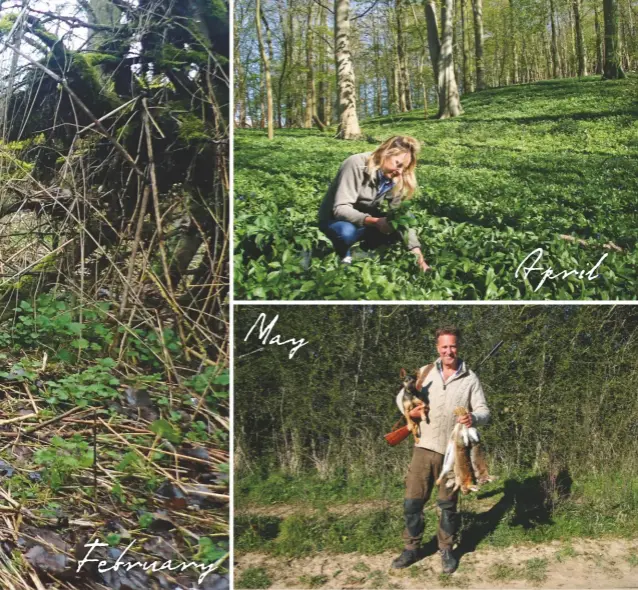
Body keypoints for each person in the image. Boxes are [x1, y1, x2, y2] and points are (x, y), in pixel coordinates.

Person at [392, 326, 490, 573]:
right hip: (423, 449)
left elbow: (484, 411)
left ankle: (446, 550)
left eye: (453, 346)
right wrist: (409, 412)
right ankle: (412, 549)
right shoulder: (425, 373)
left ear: (458, 347)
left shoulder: (470, 378)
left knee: (448, 505)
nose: (449, 351)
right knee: (412, 503)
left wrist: (473, 418)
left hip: (453, 452)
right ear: (438, 348)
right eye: (444, 346)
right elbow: (402, 396)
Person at [318, 135, 429, 271]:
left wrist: (419, 259)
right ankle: (341, 255)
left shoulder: (394, 177)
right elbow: (340, 209)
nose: (399, 172)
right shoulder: (356, 164)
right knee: (346, 232)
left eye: (403, 168)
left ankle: (364, 250)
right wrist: (376, 222)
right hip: (335, 220)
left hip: (365, 220)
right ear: (385, 152)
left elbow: (400, 215)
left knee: (406, 219)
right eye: (398, 164)